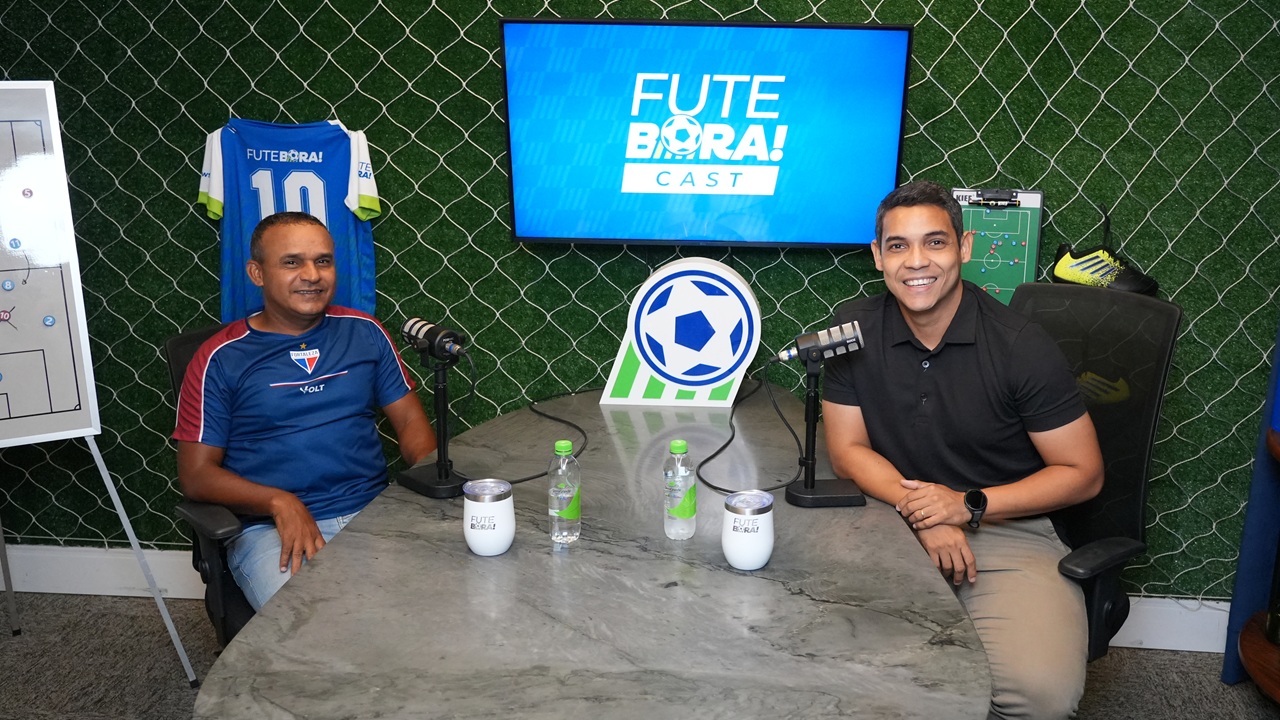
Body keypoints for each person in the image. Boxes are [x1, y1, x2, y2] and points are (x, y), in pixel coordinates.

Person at [822, 181, 1104, 720]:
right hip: (887, 516)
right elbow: (847, 450)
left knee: (1041, 697)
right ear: (878, 256)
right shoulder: (851, 328)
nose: (916, 261)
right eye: (898, 246)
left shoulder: (1021, 346)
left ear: (964, 247)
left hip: (1003, 526)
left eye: (935, 242)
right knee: (838, 667)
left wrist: (964, 505)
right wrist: (925, 512)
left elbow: (1083, 472)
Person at [173, 211, 436, 609]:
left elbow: (411, 421)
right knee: (319, 626)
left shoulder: (365, 331)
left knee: (434, 603)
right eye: (292, 262)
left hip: (373, 509)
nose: (312, 275)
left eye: (323, 261)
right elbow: (196, 476)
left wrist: (427, 485)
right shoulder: (219, 358)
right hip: (269, 530)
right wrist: (279, 501)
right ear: (257, 273)